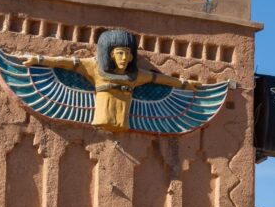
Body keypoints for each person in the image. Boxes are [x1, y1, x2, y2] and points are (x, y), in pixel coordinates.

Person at [20, 29, 198, 131]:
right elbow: (65, 63)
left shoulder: (136, 76)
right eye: (120, 52)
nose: (124, 57)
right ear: (110, 54)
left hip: (123, 122)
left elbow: (161, 79)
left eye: (127, 53)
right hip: (101, 119)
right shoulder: (93, 67)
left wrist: (186, 84)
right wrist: (39, 60)